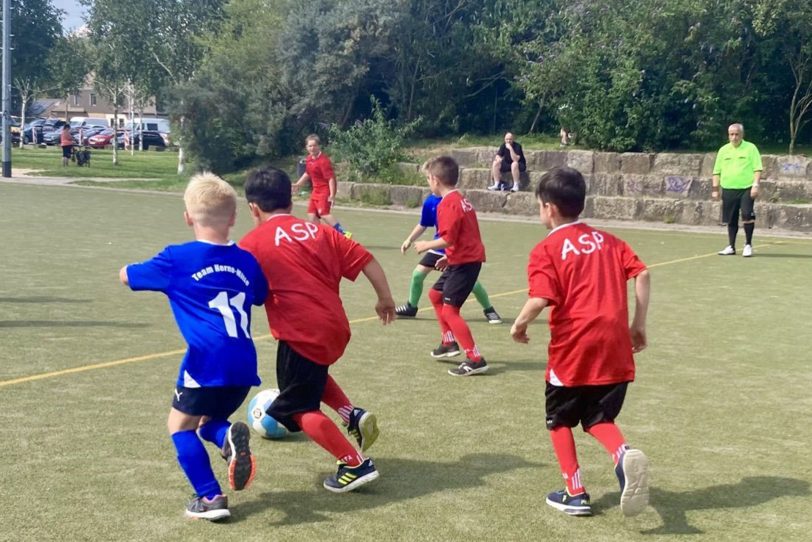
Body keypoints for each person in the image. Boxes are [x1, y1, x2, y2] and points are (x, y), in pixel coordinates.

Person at [119, 173, 269, 521]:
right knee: (206, 421)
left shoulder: (177, 259)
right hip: (244, 363)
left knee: (179, 426)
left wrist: (125, 268)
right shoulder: (247, 260)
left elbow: (128, 276)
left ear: (188, 217)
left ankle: (210, 497)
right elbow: (260, 294)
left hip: (206, 362)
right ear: (233, 218)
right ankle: (225, 434)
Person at [240, 166, 396, 493]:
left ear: (253, 208)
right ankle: (351, 414)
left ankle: (355, 464)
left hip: (301, 332)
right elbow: (367, 260)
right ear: (292, 200)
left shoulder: (252, 242)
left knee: (299, 408)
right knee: (310, 374)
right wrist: (384, 299)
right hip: (335, 326)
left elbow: (244, 289)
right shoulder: (320, 230)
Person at [510, 166, 651, 518]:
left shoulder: (546, 249)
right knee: (597, 417)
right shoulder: (609, 240)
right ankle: (622, 454)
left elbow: (540, 297)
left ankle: (575, 493)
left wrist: (519, 325)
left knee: (558, 419)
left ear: (549, 208)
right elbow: (642, 273)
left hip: (574, 346)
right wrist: (638, 325)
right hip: (615, 343)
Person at [415, 156, 489, 376]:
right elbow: (465, 235)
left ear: (436, 180)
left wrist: (426, 244)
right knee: (435, 295)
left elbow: (447, 238)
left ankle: (475, 358)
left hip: (466, 263)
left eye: (428, 178)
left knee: (450, 311)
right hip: (461, 259)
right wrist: (449, 257)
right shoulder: (461, 200)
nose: (429, 183)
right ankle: (448, 343)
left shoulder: (448, 204)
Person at [396, 192, 502, 324]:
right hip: (438, 247)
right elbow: (423, 223)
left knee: (473, 284)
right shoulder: (431, 202)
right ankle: (411, 307)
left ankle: (489, 309)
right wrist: (409, 239)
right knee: (417, 274)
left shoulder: (455, 201)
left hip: (455, 249)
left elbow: (459, 233)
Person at [712, 123, 762, 258]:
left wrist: (755, 185)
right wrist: (715, 189)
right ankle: (731, 246)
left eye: (736, 134)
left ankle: (748, 245)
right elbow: (716, 171)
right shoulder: (723, 150)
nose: (734, 137)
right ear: (728, 135)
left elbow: (757, 168)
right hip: (728, 188)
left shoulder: (750, 148)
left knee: (747, 215)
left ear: (742, 135)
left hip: (746, 188)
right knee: (731, 219)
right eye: (731, 134)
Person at [292, 134, 352, 238]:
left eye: (314, 145)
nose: (312, 148)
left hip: (324, 191)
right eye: (310, 146)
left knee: (324, 213)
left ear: (319, 146)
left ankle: (344, 234)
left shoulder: (323, 161)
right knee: (311, 215)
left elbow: (331, 178)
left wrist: (332, 195)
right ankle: (319, 237)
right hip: (315, 191)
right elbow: (307, 173)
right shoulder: (309, 159)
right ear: (306, 147)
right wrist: (298, 184)